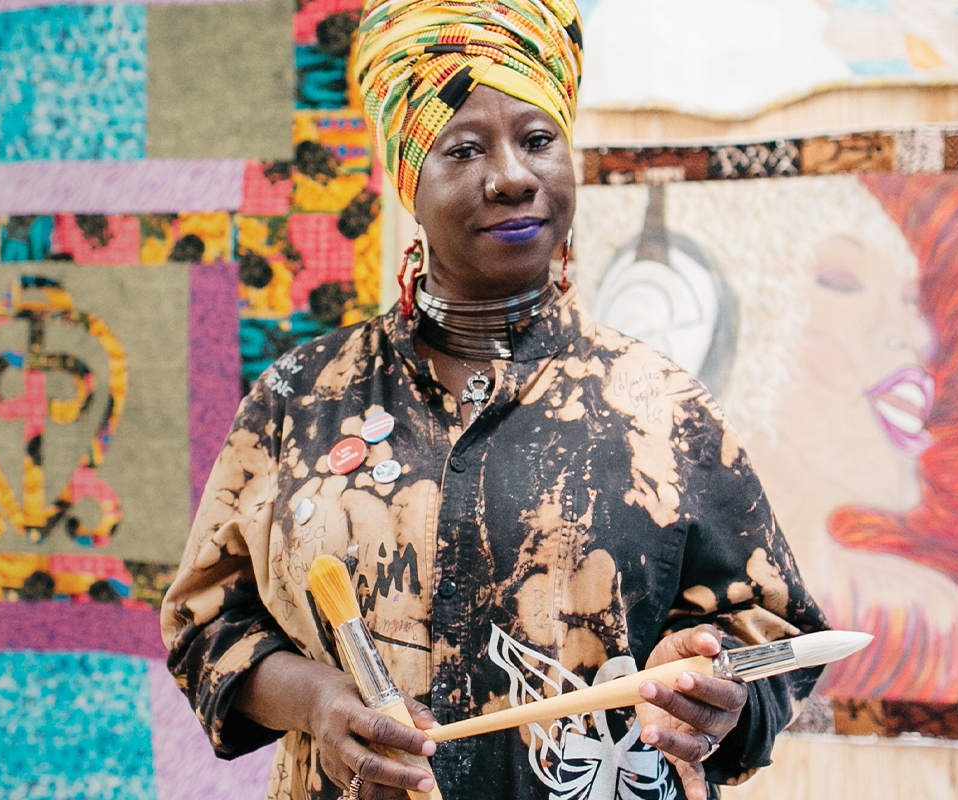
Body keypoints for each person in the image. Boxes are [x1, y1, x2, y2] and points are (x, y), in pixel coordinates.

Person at [161, 1, 828, 798]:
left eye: (538, 140)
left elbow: (777, 634)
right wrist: (318, 701)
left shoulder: (662, 408)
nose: (512, 176)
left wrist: (718, 691)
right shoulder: (299, 397)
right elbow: (205, 622)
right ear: (411, 177)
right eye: (464, 148)